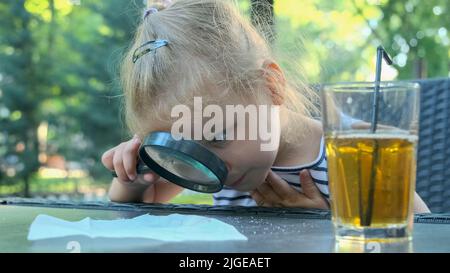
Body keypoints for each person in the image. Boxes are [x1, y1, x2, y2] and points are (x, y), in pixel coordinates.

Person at [101, 0, 430, 213]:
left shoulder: (353, 151)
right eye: (185, 148)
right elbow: (144, 205)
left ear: (271, 87)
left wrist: (320, 222)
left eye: (218, 135)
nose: (209, 166)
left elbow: (425, 232)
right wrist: (132, 178)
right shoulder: (209, 161)